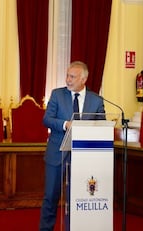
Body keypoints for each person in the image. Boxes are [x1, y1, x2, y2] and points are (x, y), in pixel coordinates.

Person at [39, 61, 105, 231]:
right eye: (67, 76)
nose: (68, 80)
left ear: (84, 79)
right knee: (50, 197)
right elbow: (46, 119)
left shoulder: (96, 100)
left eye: (72, 77)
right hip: (57, 154)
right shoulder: (57, 94)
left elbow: (101, 126)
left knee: (76, 198)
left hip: (83, 157)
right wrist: (65, 124)